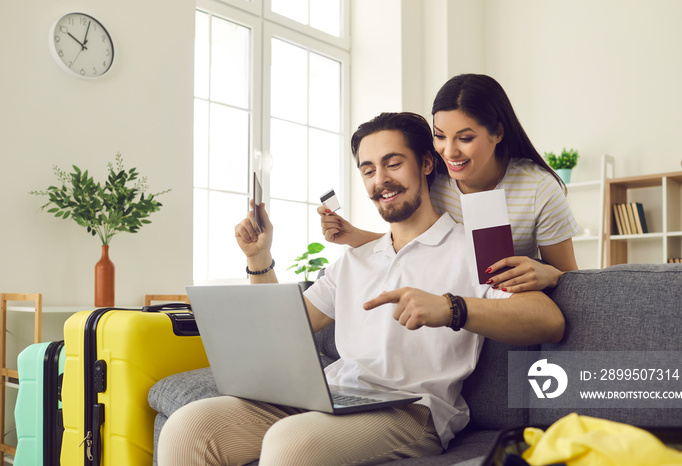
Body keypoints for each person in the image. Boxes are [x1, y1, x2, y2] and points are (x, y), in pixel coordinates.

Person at [158, 112, 564, 465]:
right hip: (335, 396)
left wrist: (451, 308)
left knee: (291, 442)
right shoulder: (356, 259)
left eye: (393, 164)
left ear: (426, 163)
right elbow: (283, 331)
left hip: (411, 411)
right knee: (188, 426)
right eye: (368, 170)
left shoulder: (473, 248)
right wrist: (258, 258)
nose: (380, 180)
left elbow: (547, 320)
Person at [320, 74, 579, 293]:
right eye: (440, 136)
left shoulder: (538, 189)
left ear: (497, 132)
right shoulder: (433, 178)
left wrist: (549, 274)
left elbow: (570, 278)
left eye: (465, 138)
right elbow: (419, 247)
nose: (449, 152)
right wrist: (355, 236)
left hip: (508, 302)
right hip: (449, 303)